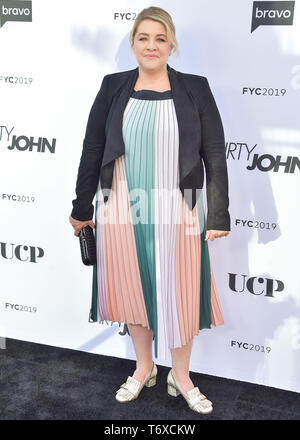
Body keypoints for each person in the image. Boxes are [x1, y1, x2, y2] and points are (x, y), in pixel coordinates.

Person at [69, 6, 230, 415]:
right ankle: (144, 368)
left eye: (160, 38)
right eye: (144, 38)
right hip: (122, 201)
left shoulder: (196, 87)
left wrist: (218, 214)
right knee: (132, 286)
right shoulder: (113, 87)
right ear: (133, 44)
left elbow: (214, 153)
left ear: (172, 44)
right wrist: (80, 207)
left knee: (180, 289)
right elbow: (92, 150)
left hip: (181, 203)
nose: (152, 46)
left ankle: (182, 374)